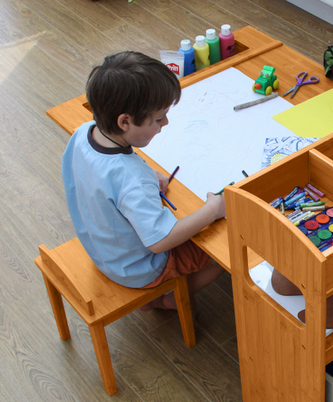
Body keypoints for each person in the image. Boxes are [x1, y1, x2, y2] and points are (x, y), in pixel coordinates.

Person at [62, 51, 226, 312]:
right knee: (224, 250)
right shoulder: (132, 180)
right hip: (139, 267)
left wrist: (149, 176)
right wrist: (212, 210)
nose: (166, 123)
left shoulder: (85, 132)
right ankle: (172, 296)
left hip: (102, 250)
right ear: (125, 121)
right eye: (159, 118)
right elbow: (160, 241)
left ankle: (150, 296)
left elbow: (104, 175)